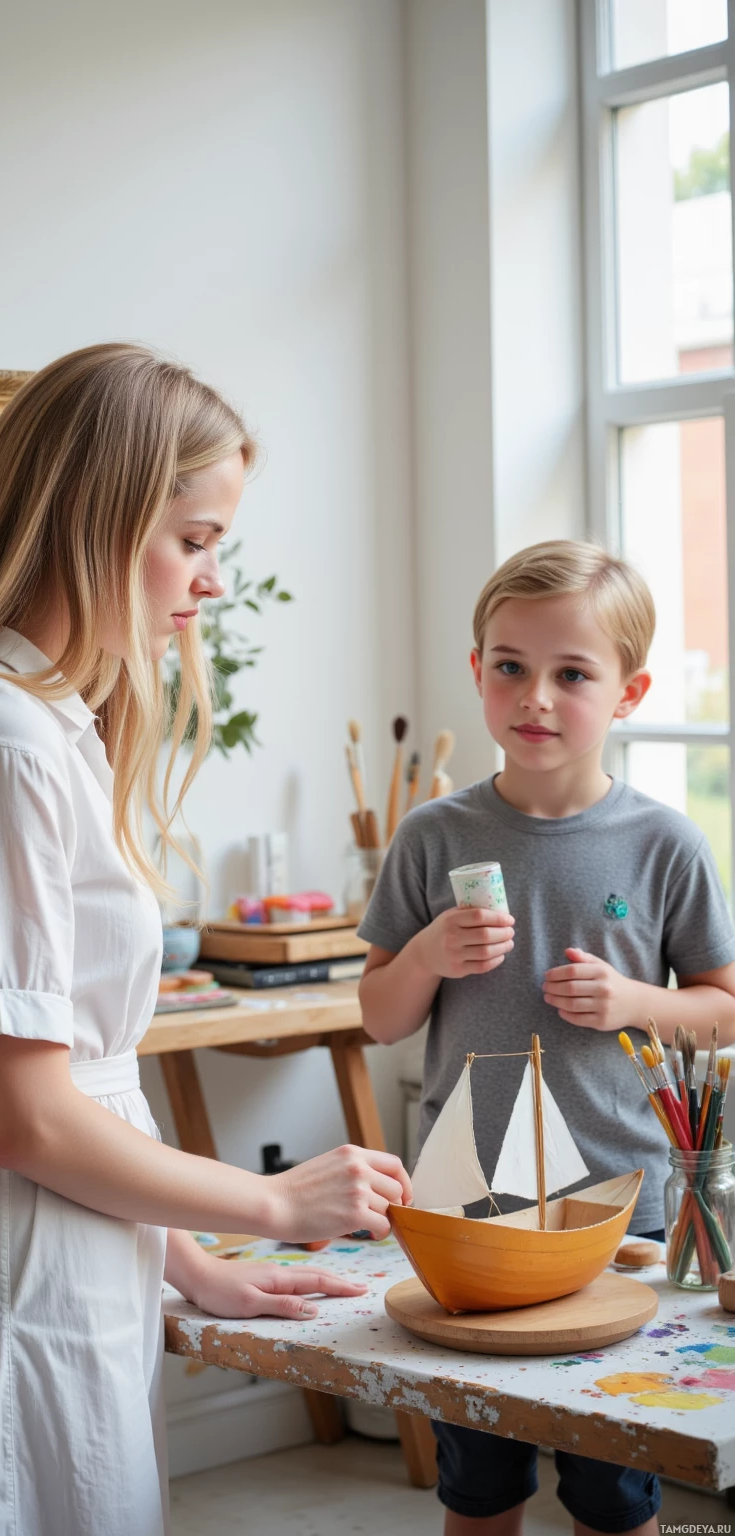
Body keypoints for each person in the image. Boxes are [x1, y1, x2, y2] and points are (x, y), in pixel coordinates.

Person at [0, 344, 412, 1536]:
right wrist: (271, 1204)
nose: (210, 582)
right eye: (196, 537)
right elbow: (29, 1118)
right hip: (4, 1255)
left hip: (8, 1236)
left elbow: (69, 1095)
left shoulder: (19, 722)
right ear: (98, 516)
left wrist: (192, 1264)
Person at [358, 539, 735, 1536]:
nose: (535, 697)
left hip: (620, 1210)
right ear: (475, 671)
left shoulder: (664, 844)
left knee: (614, 1490)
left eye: (572, 674)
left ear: (629, 691)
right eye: (510, 666)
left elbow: (723, 1008)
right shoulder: (431, 838)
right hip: (466, 1214)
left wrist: (634, 1004)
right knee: (476, 1483)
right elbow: (378, 1016)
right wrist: (427, 955)